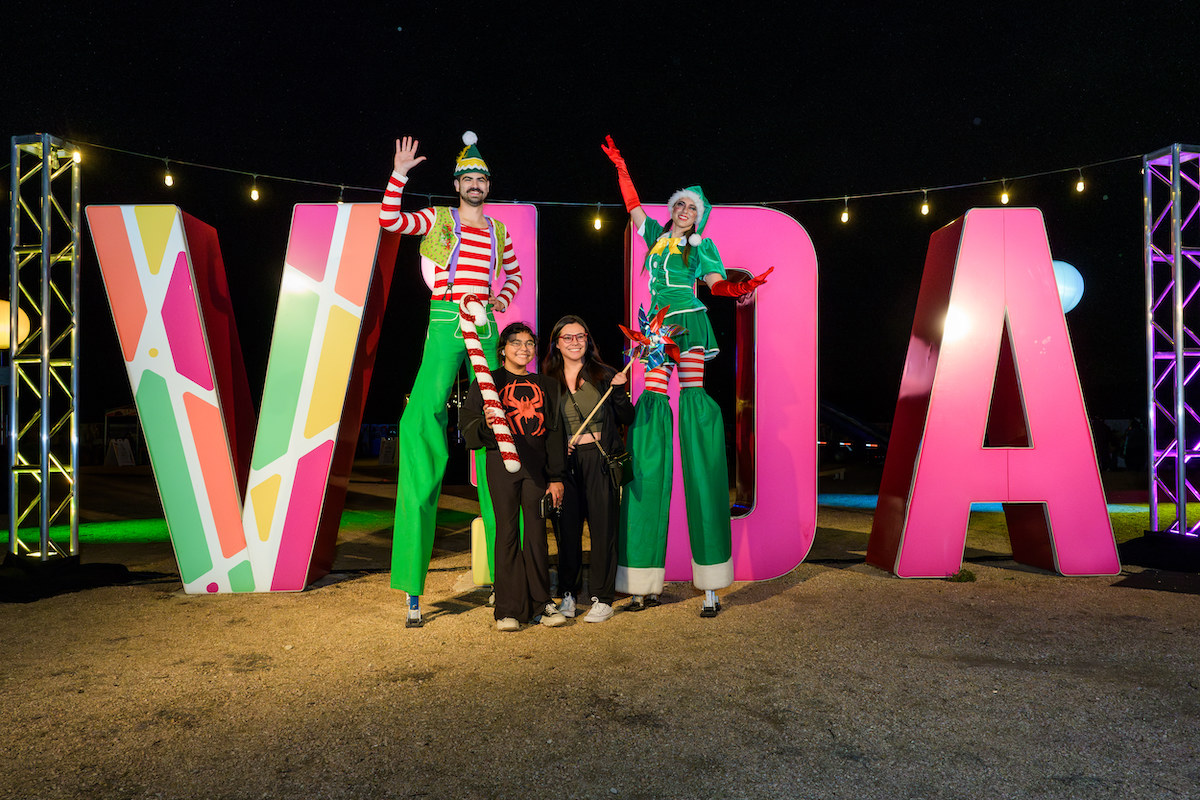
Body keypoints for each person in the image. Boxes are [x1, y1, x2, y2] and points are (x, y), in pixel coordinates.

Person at [601, 135, 770, 617]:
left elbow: (716, 283)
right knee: (652, 416)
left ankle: (712, 584)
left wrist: (738, 287)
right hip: (656, 329)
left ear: (700, 217)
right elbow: (632, 205)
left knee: (694, 410)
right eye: (679, 206)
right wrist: (623, 166)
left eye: (691, 210)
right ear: (673, 209)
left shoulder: (703, 246)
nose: (683, 213)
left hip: (690, 323)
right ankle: (641, 581)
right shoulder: (654, 234)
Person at [380, 133, 522, 627]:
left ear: (488, 184)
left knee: (496, 428)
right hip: (444, 321)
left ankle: (507, 572)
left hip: (483, 325)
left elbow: (515, 275)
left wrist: (498, 305)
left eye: (482, 178)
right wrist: (399, 174)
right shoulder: (441, 219)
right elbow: (391, 222)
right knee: (421, 418)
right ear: (458, 183)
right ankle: (412, 585)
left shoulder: (500, 231)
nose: (476, 184)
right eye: (469, 178)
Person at [462, 323, 567, 631]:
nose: (524, 348)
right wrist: (487, 425)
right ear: (503, 349)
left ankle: (541, 603)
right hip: (501, 465)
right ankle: (508, 608)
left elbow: (555, 433)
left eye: (530, 343)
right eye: (516, 343)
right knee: (506, 533)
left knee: (536, 535)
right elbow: (466, 424)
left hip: (536, 469)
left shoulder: (547, 385)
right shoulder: (488, 381)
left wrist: (556, 476)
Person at [542, 314, 636, 623]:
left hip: (600, 459)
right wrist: (556, 449)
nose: (574, 342)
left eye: (580, 336)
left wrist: (620, 390)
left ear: (588, 340)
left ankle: (602, 597)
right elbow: (542, 426)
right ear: (557, 343)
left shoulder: (605, 373)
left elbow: (627, 417)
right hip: (564, 464)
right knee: (566, 531)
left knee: (603, 528)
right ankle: (568, 594)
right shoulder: (546, 381)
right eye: (567, 337)